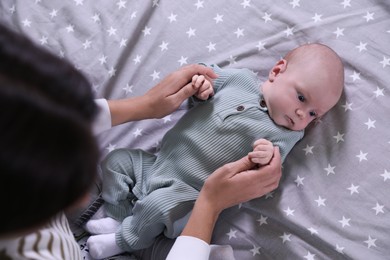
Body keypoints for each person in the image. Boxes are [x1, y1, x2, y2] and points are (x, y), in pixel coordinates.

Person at [0, 24, 282, 259]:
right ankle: (127, 238)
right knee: (160, 215)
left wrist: (144, 106)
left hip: (111, 205)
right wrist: (209, 205)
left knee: (120, 166)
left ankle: (123, 226)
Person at [85, 43, 345, 259]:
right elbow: (204, 81)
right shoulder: (240, 79)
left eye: (313, 113)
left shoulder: (286, 134)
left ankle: (123, 240)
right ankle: (120, 217)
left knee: (156, 206)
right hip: (157, 164)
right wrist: (201, 87)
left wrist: (265, 155)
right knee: (116, 161)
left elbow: (268, 168)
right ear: (277, 71)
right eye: (301, 97)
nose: (302, 113)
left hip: (188, 196)